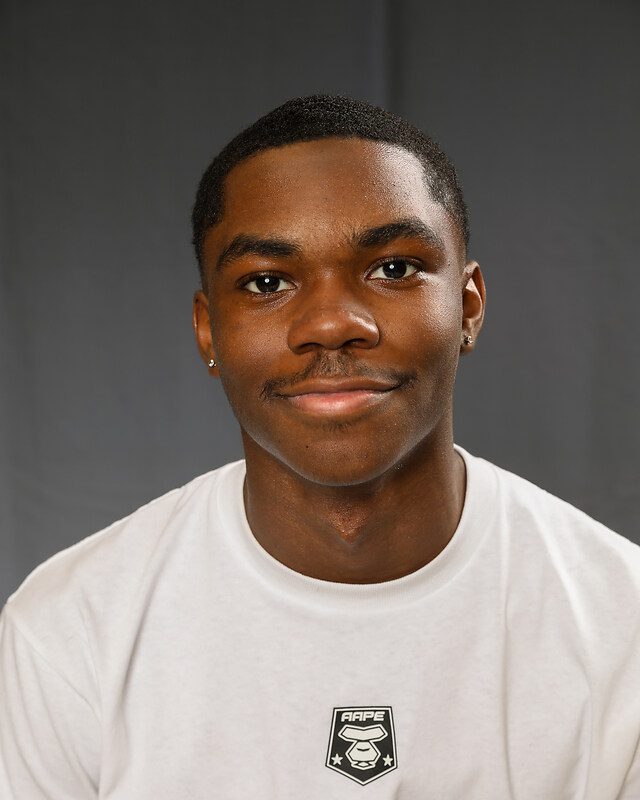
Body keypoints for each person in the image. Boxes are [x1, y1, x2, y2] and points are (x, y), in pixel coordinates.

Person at [0, 94, 638, 799]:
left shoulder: (623, 626)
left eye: (394, 268)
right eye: (267, 282)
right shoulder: (67, 632)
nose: (332, 324)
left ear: (469, 305)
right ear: (209, 331)